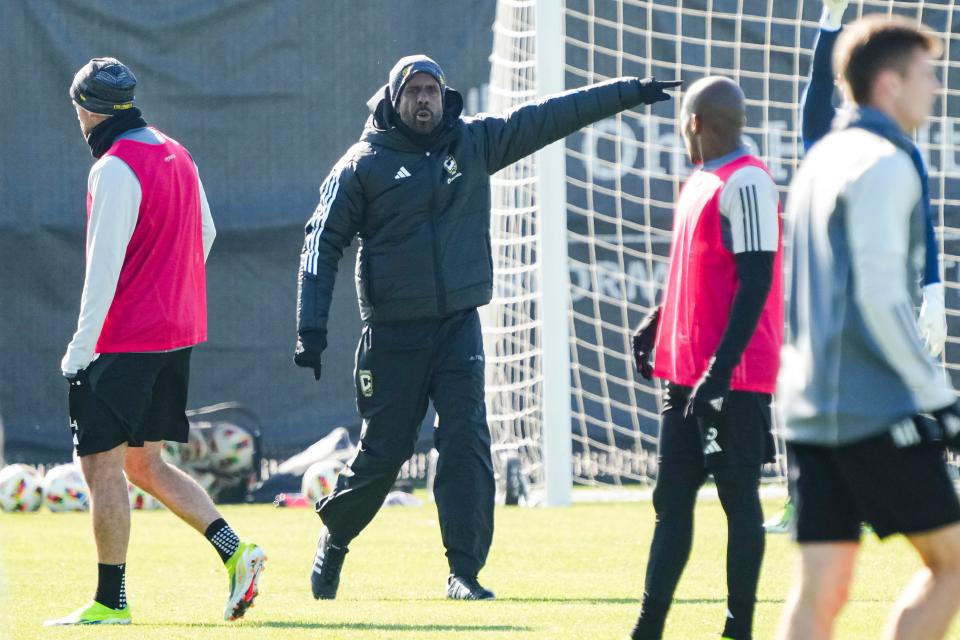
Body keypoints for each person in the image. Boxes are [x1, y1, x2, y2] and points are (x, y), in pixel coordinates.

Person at [294, 54, 679, 601]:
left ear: (442, 96)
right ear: (394, 98)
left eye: (432, 89)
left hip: (457, 328)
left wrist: (630, 90)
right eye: (414, 92)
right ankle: (336, 536)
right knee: (384, 454)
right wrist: (310, 331)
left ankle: (464, 572)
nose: (424, 99)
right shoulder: (362, 164)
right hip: (393, 337)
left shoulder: (472, 143)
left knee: (467, 442)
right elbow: (320, 242)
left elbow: (549, 116)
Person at [45, 58, 264, 626]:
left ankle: (110, 602)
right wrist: (169, 286)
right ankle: (237, 552)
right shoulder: (178, 151)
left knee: (100, 464)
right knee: (144, 462)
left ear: (84, 109)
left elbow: (103, 269)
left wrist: (78, 351)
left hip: (126, 337)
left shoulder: (114, 166)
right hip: (176, 331)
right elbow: (207, 234)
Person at [777, 17, 960, 639]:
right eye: (927, 75)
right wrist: (940, 399)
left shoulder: (819, 159)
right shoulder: (887, 161)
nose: (937, 88)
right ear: (889, 85)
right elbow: (883, 301)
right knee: (955, 566)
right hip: (871, 411)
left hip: (805, 408)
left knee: (820, 589)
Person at [627, 76, 783, 640]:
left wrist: (720, 372)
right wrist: (656, 322)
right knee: (670, 500)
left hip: (731, 377)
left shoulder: (747, 182)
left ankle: (737, 629)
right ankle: (647, 629)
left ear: (693, 122)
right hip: (685, 374)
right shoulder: (700, 180)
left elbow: (756, 279)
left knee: (738, 500)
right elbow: (701, 274)